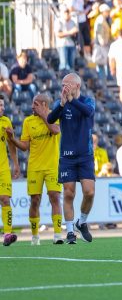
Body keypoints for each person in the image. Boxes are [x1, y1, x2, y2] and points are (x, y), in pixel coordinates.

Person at [5, 94, 62, 245]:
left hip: (52, 166)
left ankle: (57, 235)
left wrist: (44, 116)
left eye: (35, 104)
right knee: (35, 200)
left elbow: (56, 131)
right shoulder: (28, 121)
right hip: (35, 167)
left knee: (54, 197)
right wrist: (12, 139)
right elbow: (24, 147)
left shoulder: (54, 116)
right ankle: (35, 236)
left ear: (44, 105)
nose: (32, 107)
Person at [46, 73, 95, 245]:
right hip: (67, 156)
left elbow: (88, 113)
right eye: (62, 85)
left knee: (89, 192)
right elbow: (50, 119)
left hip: (85, 155)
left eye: (67, 85)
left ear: (77, 86)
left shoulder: (88, 101)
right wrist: (61, 104)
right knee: (69, 192)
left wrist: (72, 100)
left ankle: (81, 222)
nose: (63, 88)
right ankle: (69, 232)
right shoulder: (61, 103)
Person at [0, 97, 20, 246]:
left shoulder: (6, 121)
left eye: (2, 105)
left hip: (3, 168)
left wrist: (16, 164)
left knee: (5, 199)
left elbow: (11, 145)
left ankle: (7, 233)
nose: (2, 108)